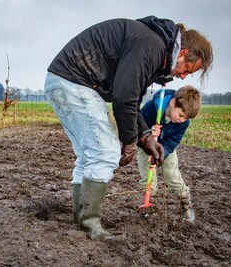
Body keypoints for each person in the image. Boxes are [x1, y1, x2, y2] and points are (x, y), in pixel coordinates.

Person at [44, 16, 213, 240]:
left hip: (63, 80)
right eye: (187, 70)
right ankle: (89, 224)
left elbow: (132, 101)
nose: (182, 76)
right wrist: (130, 142)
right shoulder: (151, 46)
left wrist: (145, 137)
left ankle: (81, 216)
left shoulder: (154, 46)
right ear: (182, 53)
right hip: (75, 82)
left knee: (89, 154)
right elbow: (124, 98)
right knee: (105, 152)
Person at [137, 85, 199, 223]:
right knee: (148, 180)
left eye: (186, 118)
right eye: (181, 115)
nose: (182, 120)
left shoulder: (183, 123)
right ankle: (148, 206)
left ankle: (186, 205)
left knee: (173, 177)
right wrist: (147, 133)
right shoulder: (150, 108)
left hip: (166, 149)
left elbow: (172, 142)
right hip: (144, 148)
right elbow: (136, 129)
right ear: (172, 103)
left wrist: (161, 153)